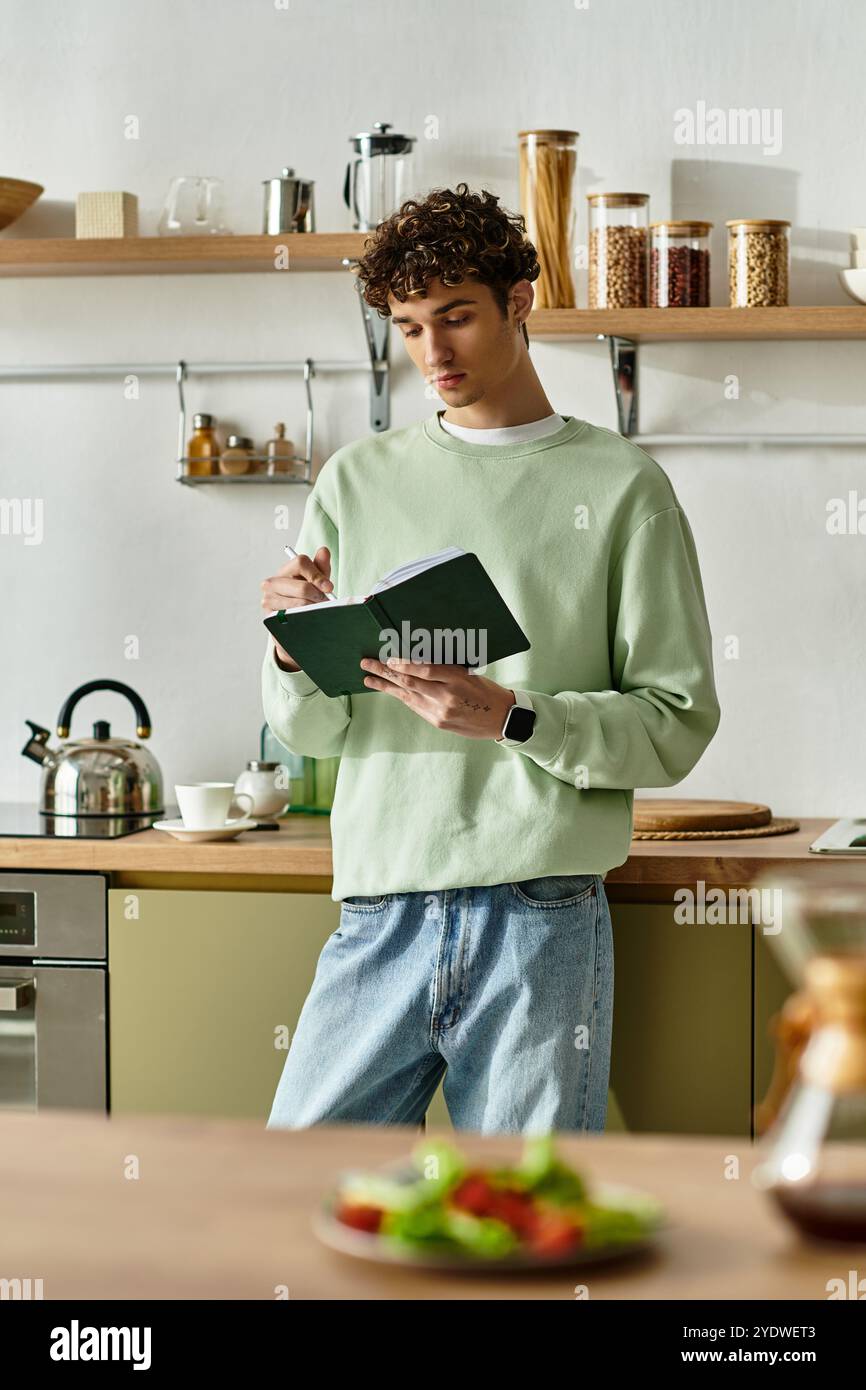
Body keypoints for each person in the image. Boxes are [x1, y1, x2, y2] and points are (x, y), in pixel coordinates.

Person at [260, 182, 720, 1135]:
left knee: (524, 1237)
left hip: (539, 916)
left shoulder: (623, 486)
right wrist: (297, 651)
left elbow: (676, 721)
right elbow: (310, 731)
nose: (434, 353)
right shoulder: (357, 478)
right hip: (380, 903)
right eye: (409, 326)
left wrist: (511, 714)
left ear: (519, 302)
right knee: (292, 1196)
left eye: (456, 317)